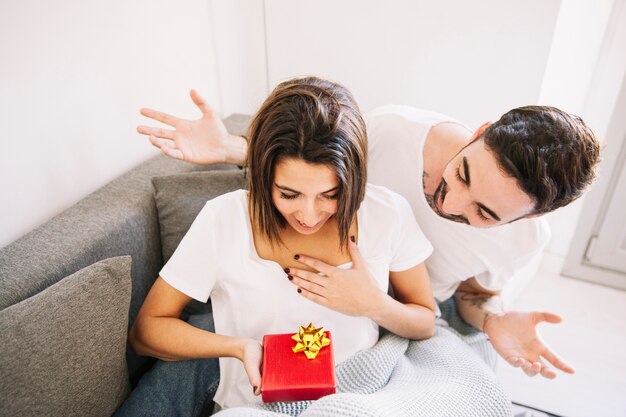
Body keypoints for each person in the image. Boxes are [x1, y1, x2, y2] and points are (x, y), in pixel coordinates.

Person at [139, 90, 601, 381]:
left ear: (526, 219)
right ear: (480, 132)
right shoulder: (392, 130)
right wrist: (236, 148)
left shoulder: (523, 241)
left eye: (484, 212)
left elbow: (464, 302)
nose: (449, 205)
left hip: (401, 314)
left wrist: (493, 319)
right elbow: (312, 157)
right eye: (462, 174)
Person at [117, 76, 437, 415]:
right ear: (263, 175)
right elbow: (146, 332)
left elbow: (425, 320)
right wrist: (239, 347)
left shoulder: (386, 213)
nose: (310, 215)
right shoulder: (225, 218)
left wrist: (374, 304)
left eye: (330, 195)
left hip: (355, 394)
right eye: (289, 194)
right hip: (253, 402)